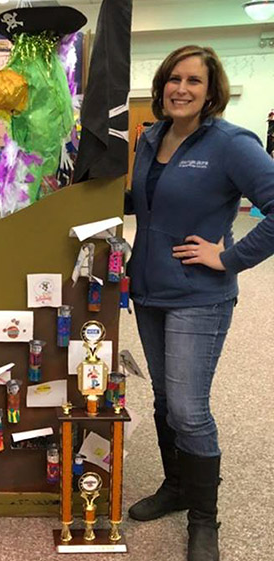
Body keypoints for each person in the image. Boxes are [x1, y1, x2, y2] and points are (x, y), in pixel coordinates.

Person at [126, 45, 274, 561]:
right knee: (165, 400)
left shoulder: (233, 144)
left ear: (211, 91)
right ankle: (176, 487)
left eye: (193, 81)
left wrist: (229, 257)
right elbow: (144, 201)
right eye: (173, 79)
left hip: (199, 296)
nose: (181, 89)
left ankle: (204, 519)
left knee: (189, 409)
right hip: (147, 292)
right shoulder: (150, 138)